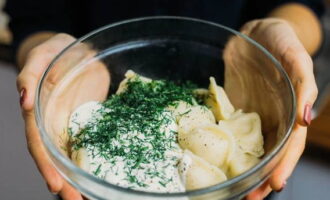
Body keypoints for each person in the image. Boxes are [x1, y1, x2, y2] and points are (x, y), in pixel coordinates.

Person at [5, 0, 323, 199]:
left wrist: (283, 37)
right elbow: (36, 13)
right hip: (91, 172)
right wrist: (53, 65)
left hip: (242, 174)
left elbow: (304, 5)